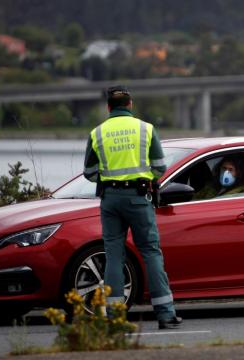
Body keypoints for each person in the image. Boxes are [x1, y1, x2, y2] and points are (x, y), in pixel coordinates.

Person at [83, 85, 182, 330]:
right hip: (138, 197)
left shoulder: (97, 133)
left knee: (114, 256)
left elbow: (89, 172)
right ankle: (166, 314)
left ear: (108, 107)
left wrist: (109, 179)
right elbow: (160, 167)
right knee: (151, 252)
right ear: (130, 105)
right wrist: (146, 178)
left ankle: (114, 317)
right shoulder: (145, 129)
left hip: (110, 199)